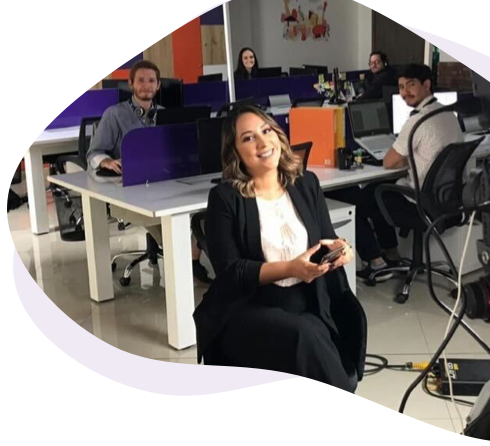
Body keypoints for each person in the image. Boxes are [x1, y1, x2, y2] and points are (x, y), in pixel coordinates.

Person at [193, 105, 367, 392]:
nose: (262, 143)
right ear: (234, 150)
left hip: (307, 299)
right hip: (248, 306)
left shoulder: (305, 183)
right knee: (305, 336)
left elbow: (327, 239)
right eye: (248, 138)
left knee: (317, 335)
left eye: (266, 130)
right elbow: (231, 273)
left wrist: (342, 249)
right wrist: (290, 268)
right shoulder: (225, 198)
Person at [330, 64, 463, 280]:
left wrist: (401, 154)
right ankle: (391, 253)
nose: (404, 92)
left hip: (420, 203)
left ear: (427, 85)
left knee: (361, 197)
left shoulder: (417, 119)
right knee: (377, 190)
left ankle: (376, 262)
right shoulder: (448, 114)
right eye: (400, 87)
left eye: (411, 85)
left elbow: (389, 162)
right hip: (446, 201)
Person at [86, 60, 211, 283]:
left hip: (165, 184)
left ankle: (189, 259)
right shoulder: (114, 115)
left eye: (151, 81)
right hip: (130, 192)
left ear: (158, 85)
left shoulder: (165, 115)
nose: (146, 86)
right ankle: (184, 270)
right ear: (131, 84)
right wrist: (105, 161)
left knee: (209, 213)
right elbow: (93, 152)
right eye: (141, 81)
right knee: (173, 230)